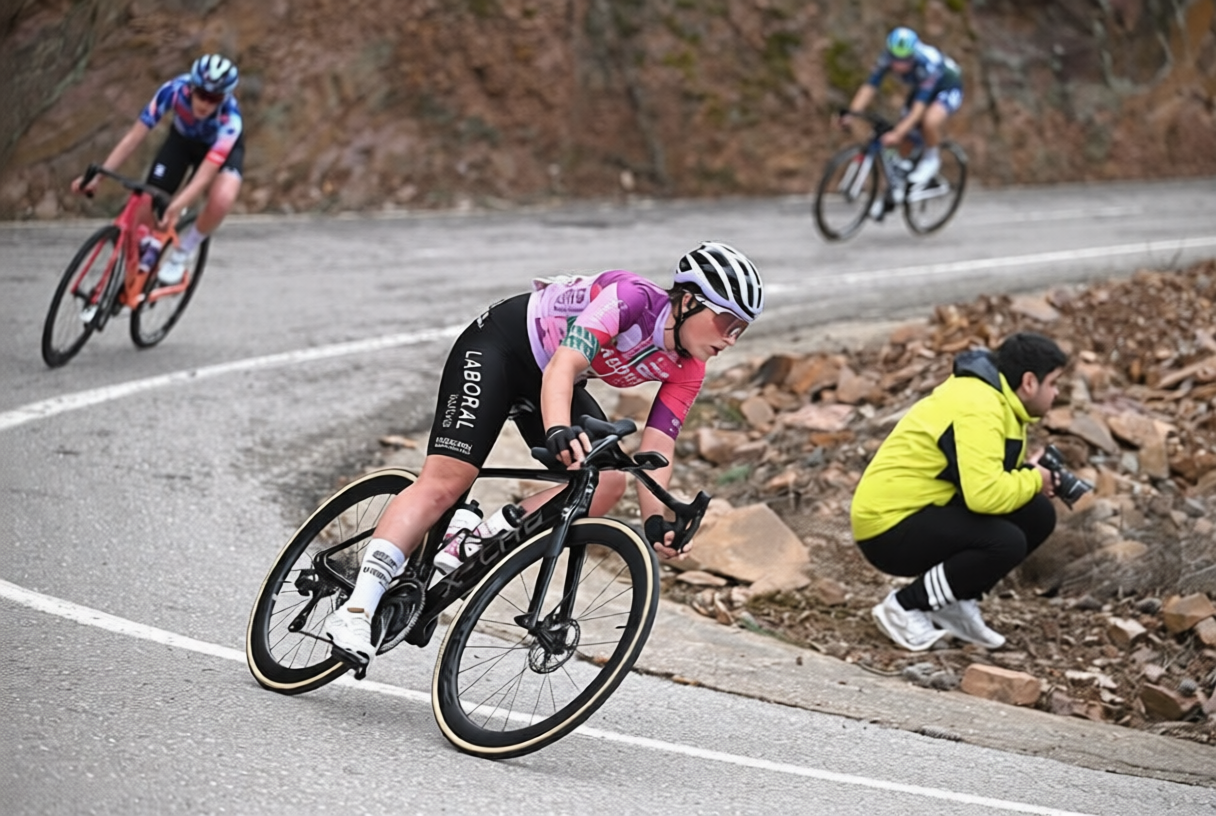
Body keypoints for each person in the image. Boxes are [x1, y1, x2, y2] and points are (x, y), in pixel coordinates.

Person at [322, 241, 766, 666]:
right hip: (500, 348)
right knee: (446, 482)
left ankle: (478, 537)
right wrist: (557, 429)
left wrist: (657, 521)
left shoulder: (689, 367)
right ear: (688, 302)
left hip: (551, 381)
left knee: (607, 481)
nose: (732, 339)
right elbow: (565, 364)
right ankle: (356, 612)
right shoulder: (631, 299)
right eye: (728, 323)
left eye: (741, 331)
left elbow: (658, 446)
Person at [850, 332, 1068, 651]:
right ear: (1030, 382)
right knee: (1005, 541)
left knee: (1035, 514)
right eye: (1054, 383)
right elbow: (984, 496)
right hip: (887, 527)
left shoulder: (1001, 402)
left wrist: (1028, 474)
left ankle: (953, 602)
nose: (1057, 393)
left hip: (924, 508)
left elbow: (984, 479)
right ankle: (904, 606)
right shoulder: (979, 405)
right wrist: (1034, 478)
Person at [71, 54, 244, 286]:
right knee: (148, 201)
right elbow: (134, 137)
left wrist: (177, 207)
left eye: (214, 98)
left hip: (217, 151)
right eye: (201, 94)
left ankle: (183, 252)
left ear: (225, 97)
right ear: (191, 86)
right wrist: (98, 176)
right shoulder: (172, 91)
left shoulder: (230, 120)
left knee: (221, 199)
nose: (205, 104)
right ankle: (140, 270)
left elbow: (204, 176)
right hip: (182, 141)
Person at [837, 26, 963, 216]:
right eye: (894, 58)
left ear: (912, 54)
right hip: (922, 87)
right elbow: (869, 87)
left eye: (904, 60)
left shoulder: (926, 63)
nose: (898, 64)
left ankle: (931, 158)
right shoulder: (887, 58)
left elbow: (918, 110)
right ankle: (896, 190)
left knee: (928, 121)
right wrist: (852, 113)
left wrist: (898, 133)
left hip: (946, 87)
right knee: (905, 138)